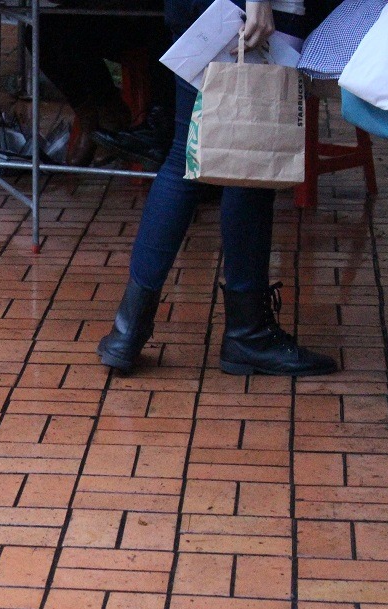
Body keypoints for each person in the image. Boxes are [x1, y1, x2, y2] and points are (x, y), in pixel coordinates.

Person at [96, 0, 337, 377]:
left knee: (185, 158)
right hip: (249, 8)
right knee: (249, 159)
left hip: (202, 7)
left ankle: (127, 332)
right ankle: (248, 335)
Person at [35, 5, 174, 166]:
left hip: (152, 21)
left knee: (58, 31)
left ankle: (107, 116)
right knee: (40, 32)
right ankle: (98, 115)